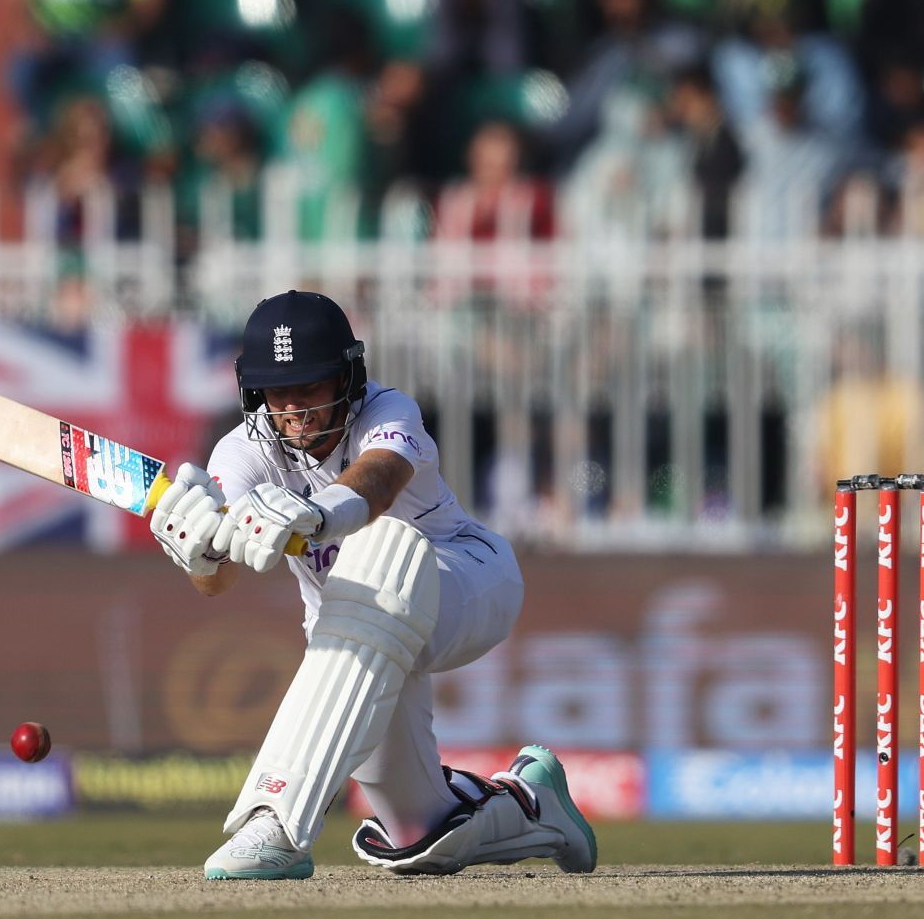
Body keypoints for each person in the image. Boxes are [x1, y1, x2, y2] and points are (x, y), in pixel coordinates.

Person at [149, 289, 596, 879]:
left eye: (309, 388)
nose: (295, 411)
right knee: (418, 831)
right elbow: (222, 576)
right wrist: (201, 553)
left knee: (381, 556)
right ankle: (535, 805)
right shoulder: (241, 450)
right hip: (353, 641)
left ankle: (276, 821)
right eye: (279, 394)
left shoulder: (389, 411)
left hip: (467, 578)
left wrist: (318, 513)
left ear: (348, 376)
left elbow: (380, 481)